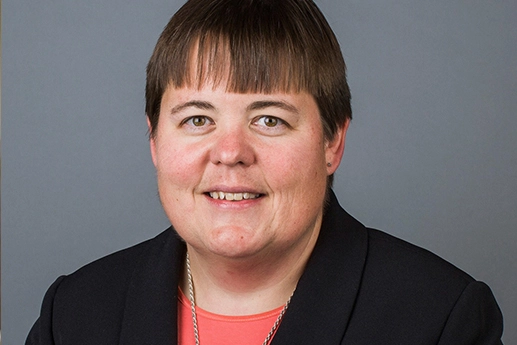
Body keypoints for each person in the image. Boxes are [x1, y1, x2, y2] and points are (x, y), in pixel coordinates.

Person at [26, 0, 503, 344]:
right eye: (197, 119)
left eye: (269, 119)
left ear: (332, 141)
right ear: (154, 139)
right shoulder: (73, 314)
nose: (230, 152)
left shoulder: (441, 319)